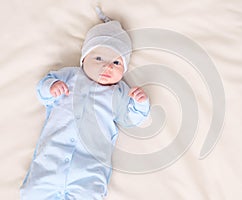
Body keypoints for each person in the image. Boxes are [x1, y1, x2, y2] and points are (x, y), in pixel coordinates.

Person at [20, 7, 150, 200]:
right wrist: (51, 87)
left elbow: (132, 118)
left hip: (88, 170)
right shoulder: (70, 76)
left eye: (116, 63)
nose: (107, 66)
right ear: (83, 59)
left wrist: (140, 103)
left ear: (124, 69)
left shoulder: (119, 92)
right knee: (32, 193)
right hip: (50, 161)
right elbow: (42, 89)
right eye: (98, 58)